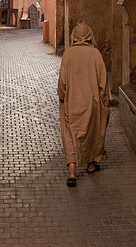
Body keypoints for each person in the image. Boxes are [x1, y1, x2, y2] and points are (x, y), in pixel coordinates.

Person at [58, 21, 111, 187]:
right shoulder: (95, 54)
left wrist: (62, 96)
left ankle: (72, 170)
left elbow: (63, 81)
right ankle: (90, 164)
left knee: (70, 134)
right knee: (91, 132)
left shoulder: (68, 54)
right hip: (92, 102)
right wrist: (106, 100)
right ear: (89, 35)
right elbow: (103, 81)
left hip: (72, 102)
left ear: (74, 35)